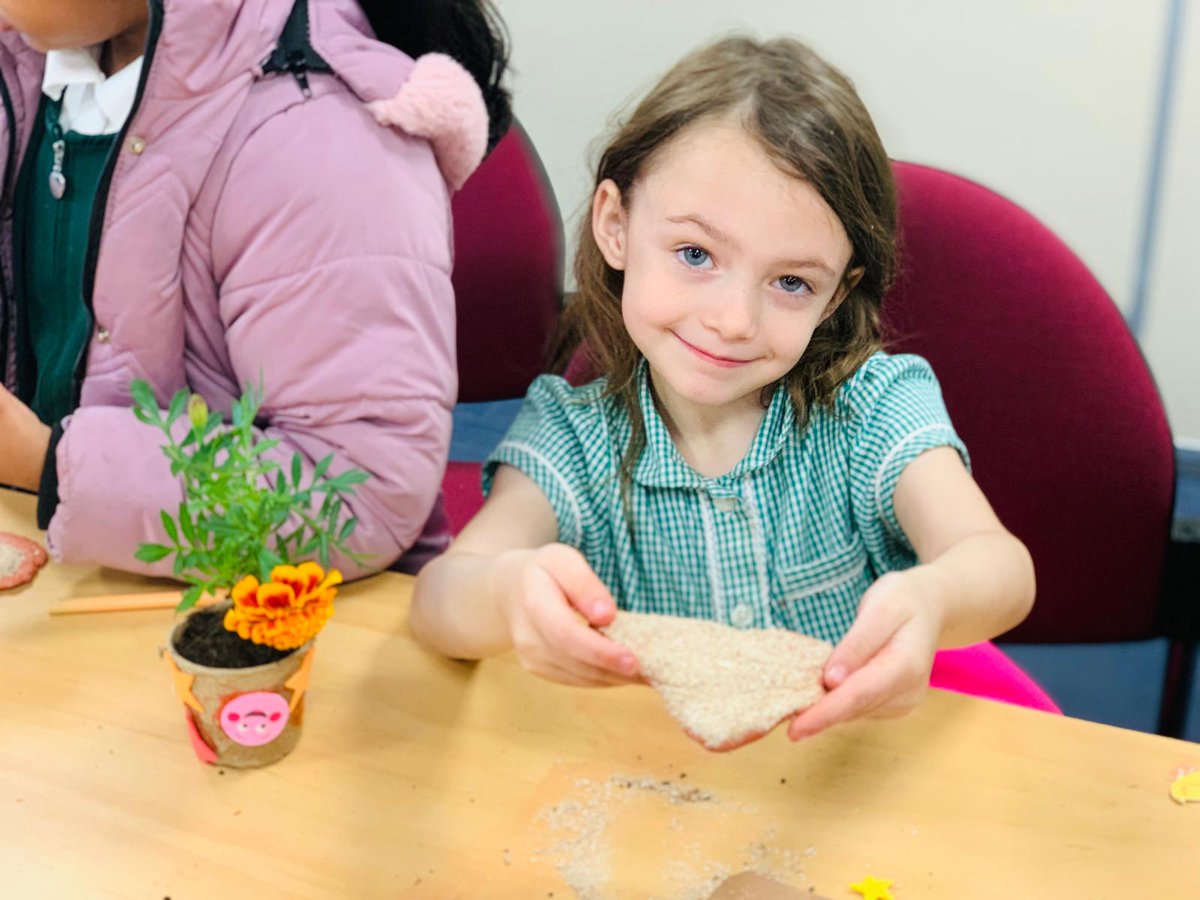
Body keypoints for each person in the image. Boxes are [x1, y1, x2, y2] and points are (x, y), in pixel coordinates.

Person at [409, 36, 1036, 742]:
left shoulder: (872, 410)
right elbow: (438, 600)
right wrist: (507, 593)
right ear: (616, 226)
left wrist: (933, 596)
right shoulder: (572, 437)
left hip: (844, 781)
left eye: (791, 282)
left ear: (836, 295)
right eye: (696, 255)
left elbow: (1001, 567)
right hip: (655, 792)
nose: (734, 321)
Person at [0, 0, 510, 576]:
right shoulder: (29, 68)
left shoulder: (320, 137)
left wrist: (42, 462)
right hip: (64, 577)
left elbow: (356, 497)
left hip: (288, 623)